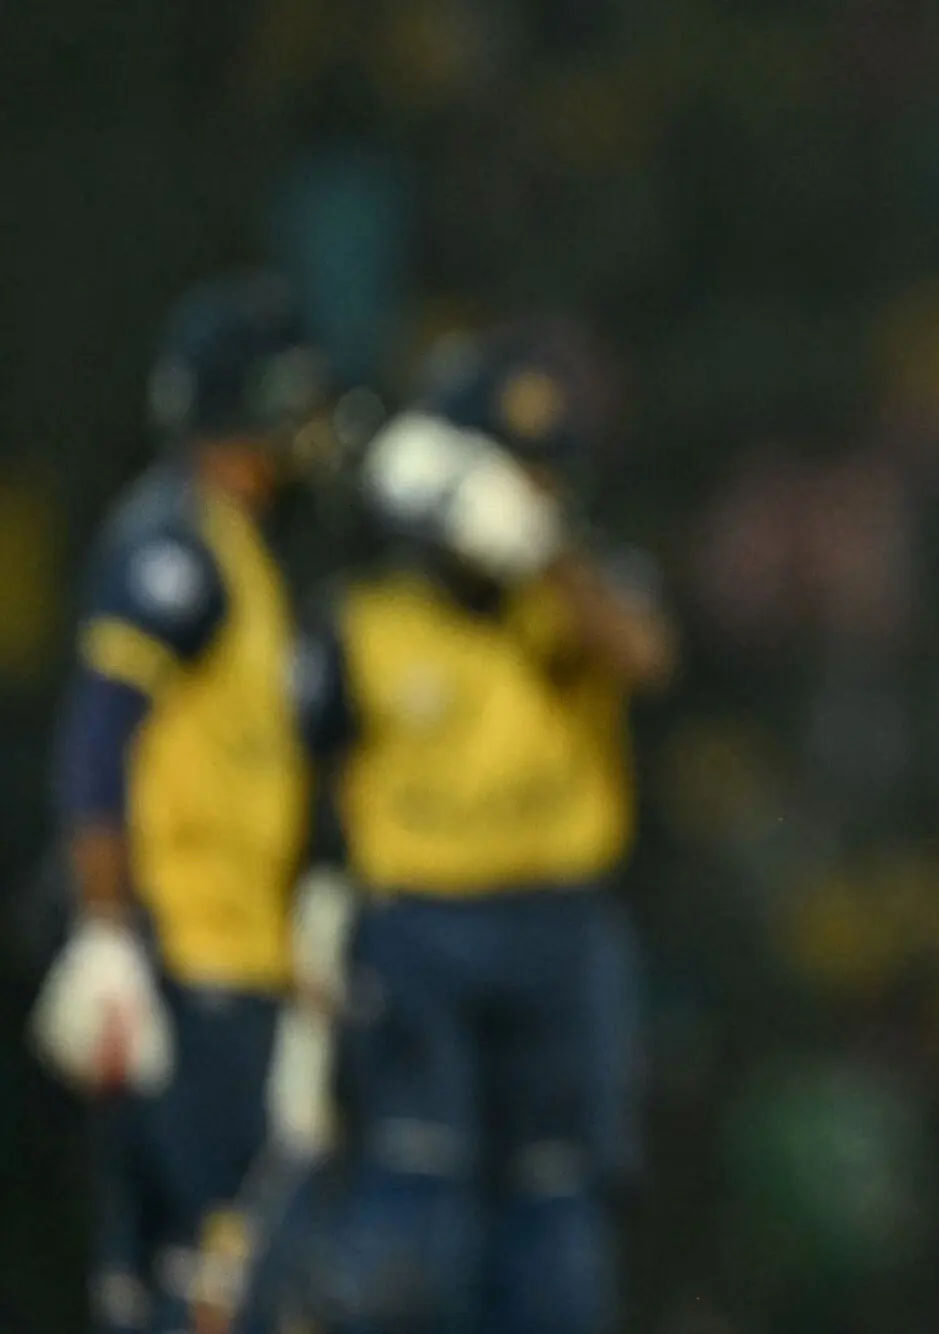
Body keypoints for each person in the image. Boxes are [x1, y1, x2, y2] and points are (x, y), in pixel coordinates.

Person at [294, 323, 672, 1334]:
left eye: (546, 477)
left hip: (560, 933)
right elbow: (298, 775)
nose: (535, 493)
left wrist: (543, 552)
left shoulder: (577, 593)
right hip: (418, 933)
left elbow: (643, 652)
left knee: (554, 1215)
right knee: (416, 1209)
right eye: (513, 474)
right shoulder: (366, 617)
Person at [35, 275, 329, 1333]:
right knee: (219, 1276)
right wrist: (107, 929)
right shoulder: (175, 544)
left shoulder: (235, 547)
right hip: (184, 959)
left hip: (229, 957)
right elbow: (95, 740)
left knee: (181, 1277)